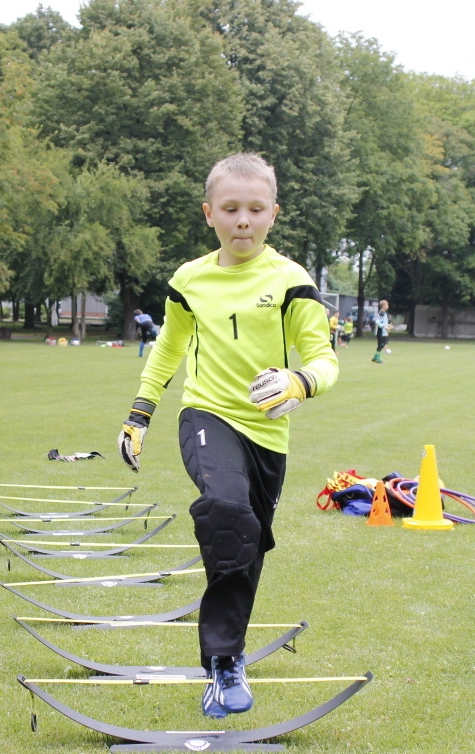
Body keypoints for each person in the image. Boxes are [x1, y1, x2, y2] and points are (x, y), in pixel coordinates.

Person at [116, 154, 339, 719]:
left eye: (256, 209)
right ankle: (222, 664)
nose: (244, 220)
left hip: (266, 433)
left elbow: (323, 358)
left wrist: (299, 381)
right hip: (207, 415)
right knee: (224, 510)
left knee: (246, 541)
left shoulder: (292, 282)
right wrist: (140, 413)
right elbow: (168, 347)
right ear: (209, 213)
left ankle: (229, 652)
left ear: (273, 214)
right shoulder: (189, 280)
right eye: (232, 209)